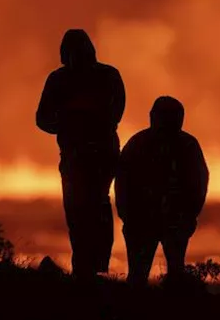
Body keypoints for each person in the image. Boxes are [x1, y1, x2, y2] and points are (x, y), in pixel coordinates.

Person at [36, 29, 125, 277]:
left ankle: (92, 264)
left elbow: (115, 113)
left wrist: (74, 120)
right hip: (80, 154)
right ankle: (88, 264)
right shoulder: (101, 76)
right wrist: (67, 122)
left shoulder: (71, 78)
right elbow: (42, 119)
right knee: (85, 206)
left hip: (93, 153)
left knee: (88, 205)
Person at [114, 96, 209, 286]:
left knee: (164, 275)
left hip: (169, 220)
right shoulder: (140, 143)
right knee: (142, 276)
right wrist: (128, 215)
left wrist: (188, 216)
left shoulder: (184, 145)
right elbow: (122, 182)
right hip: (143, 221)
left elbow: (199, 182)